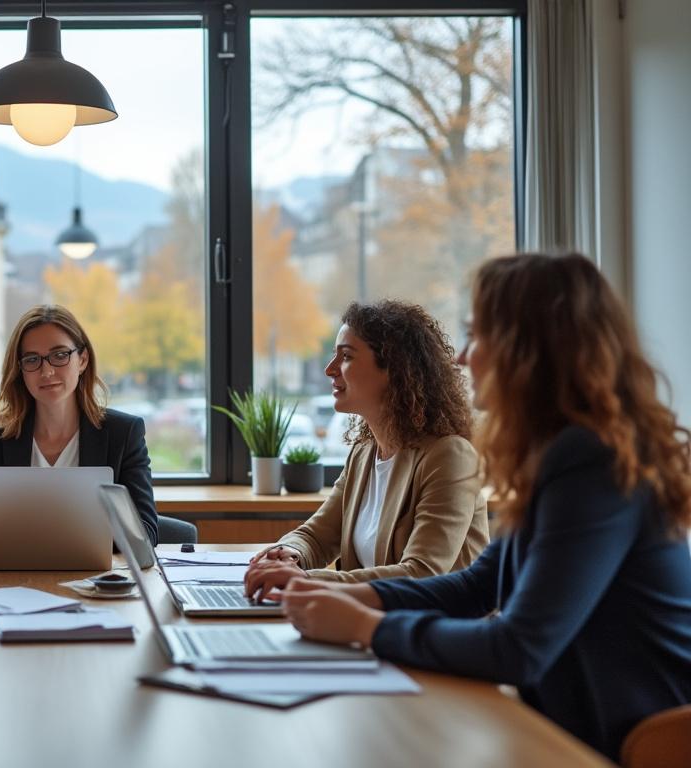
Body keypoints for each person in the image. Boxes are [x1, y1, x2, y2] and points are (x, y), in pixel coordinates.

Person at [281, 253, 691, 760]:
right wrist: (365, 601)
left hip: (635, 744)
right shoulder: (558, 452)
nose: (462, 357)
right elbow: (478, 585)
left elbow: (518, 648)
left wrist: (367, 626)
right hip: (575, 725)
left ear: (529, 351)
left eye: (478, 336)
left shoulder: (592, 460)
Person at [244, 300, 489, 600]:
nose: (330, 369)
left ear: (395, 369)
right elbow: (317, 536)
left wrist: (306, 580)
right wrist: (289, 555)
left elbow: (423, 573)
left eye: (346, 356)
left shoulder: (449, 456)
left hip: (440, 636)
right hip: (375, 630)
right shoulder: (364, 453)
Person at [0, 304, 161, 545]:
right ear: (20, 369)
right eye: (32, 359)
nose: (46, 371)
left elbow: (146, 531)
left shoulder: (124, 433)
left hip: (94, 581)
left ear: (83, 360)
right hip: (9, 576)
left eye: (59, 355)